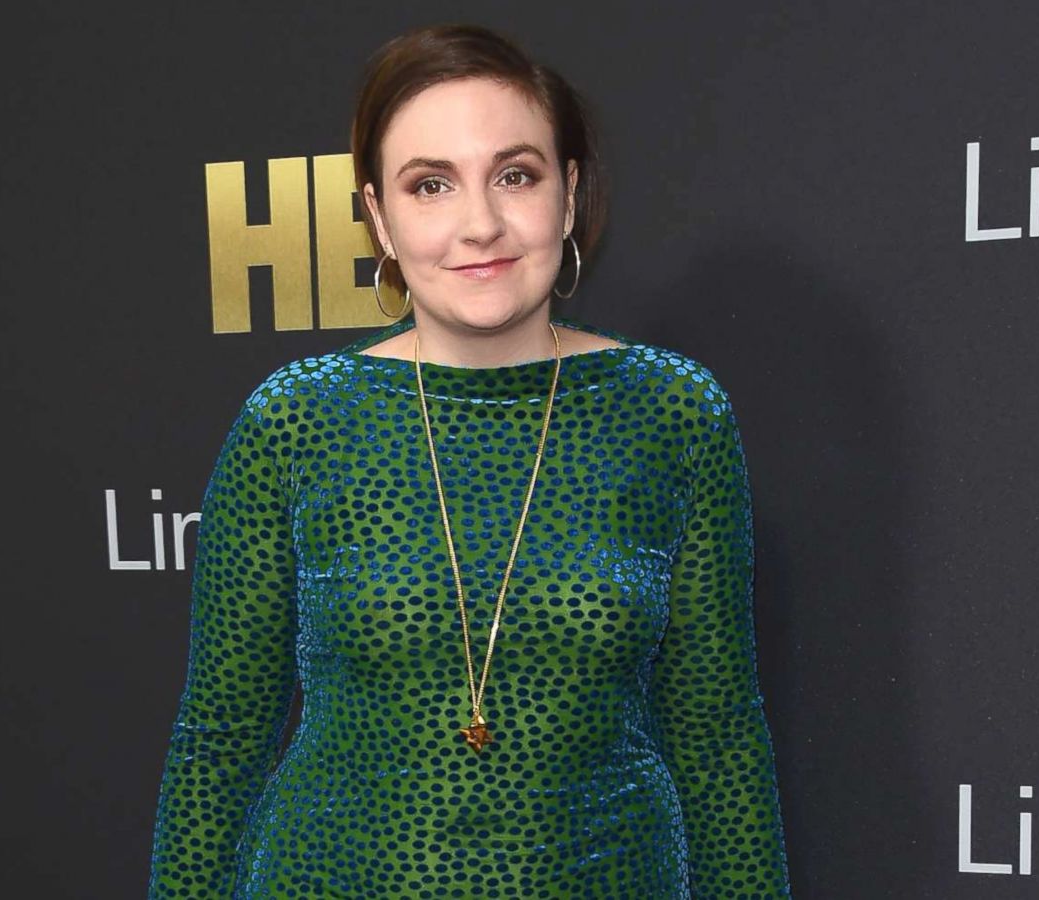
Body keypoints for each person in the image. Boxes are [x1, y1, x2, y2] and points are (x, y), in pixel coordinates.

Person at [149, 23, 792, 899]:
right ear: (378, 214)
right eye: (431, 185)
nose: (480, 222)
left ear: (567, 195)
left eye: (515, 175)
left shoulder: (671, 412)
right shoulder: (296, 420)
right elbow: (220, 737)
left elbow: (717, 736)